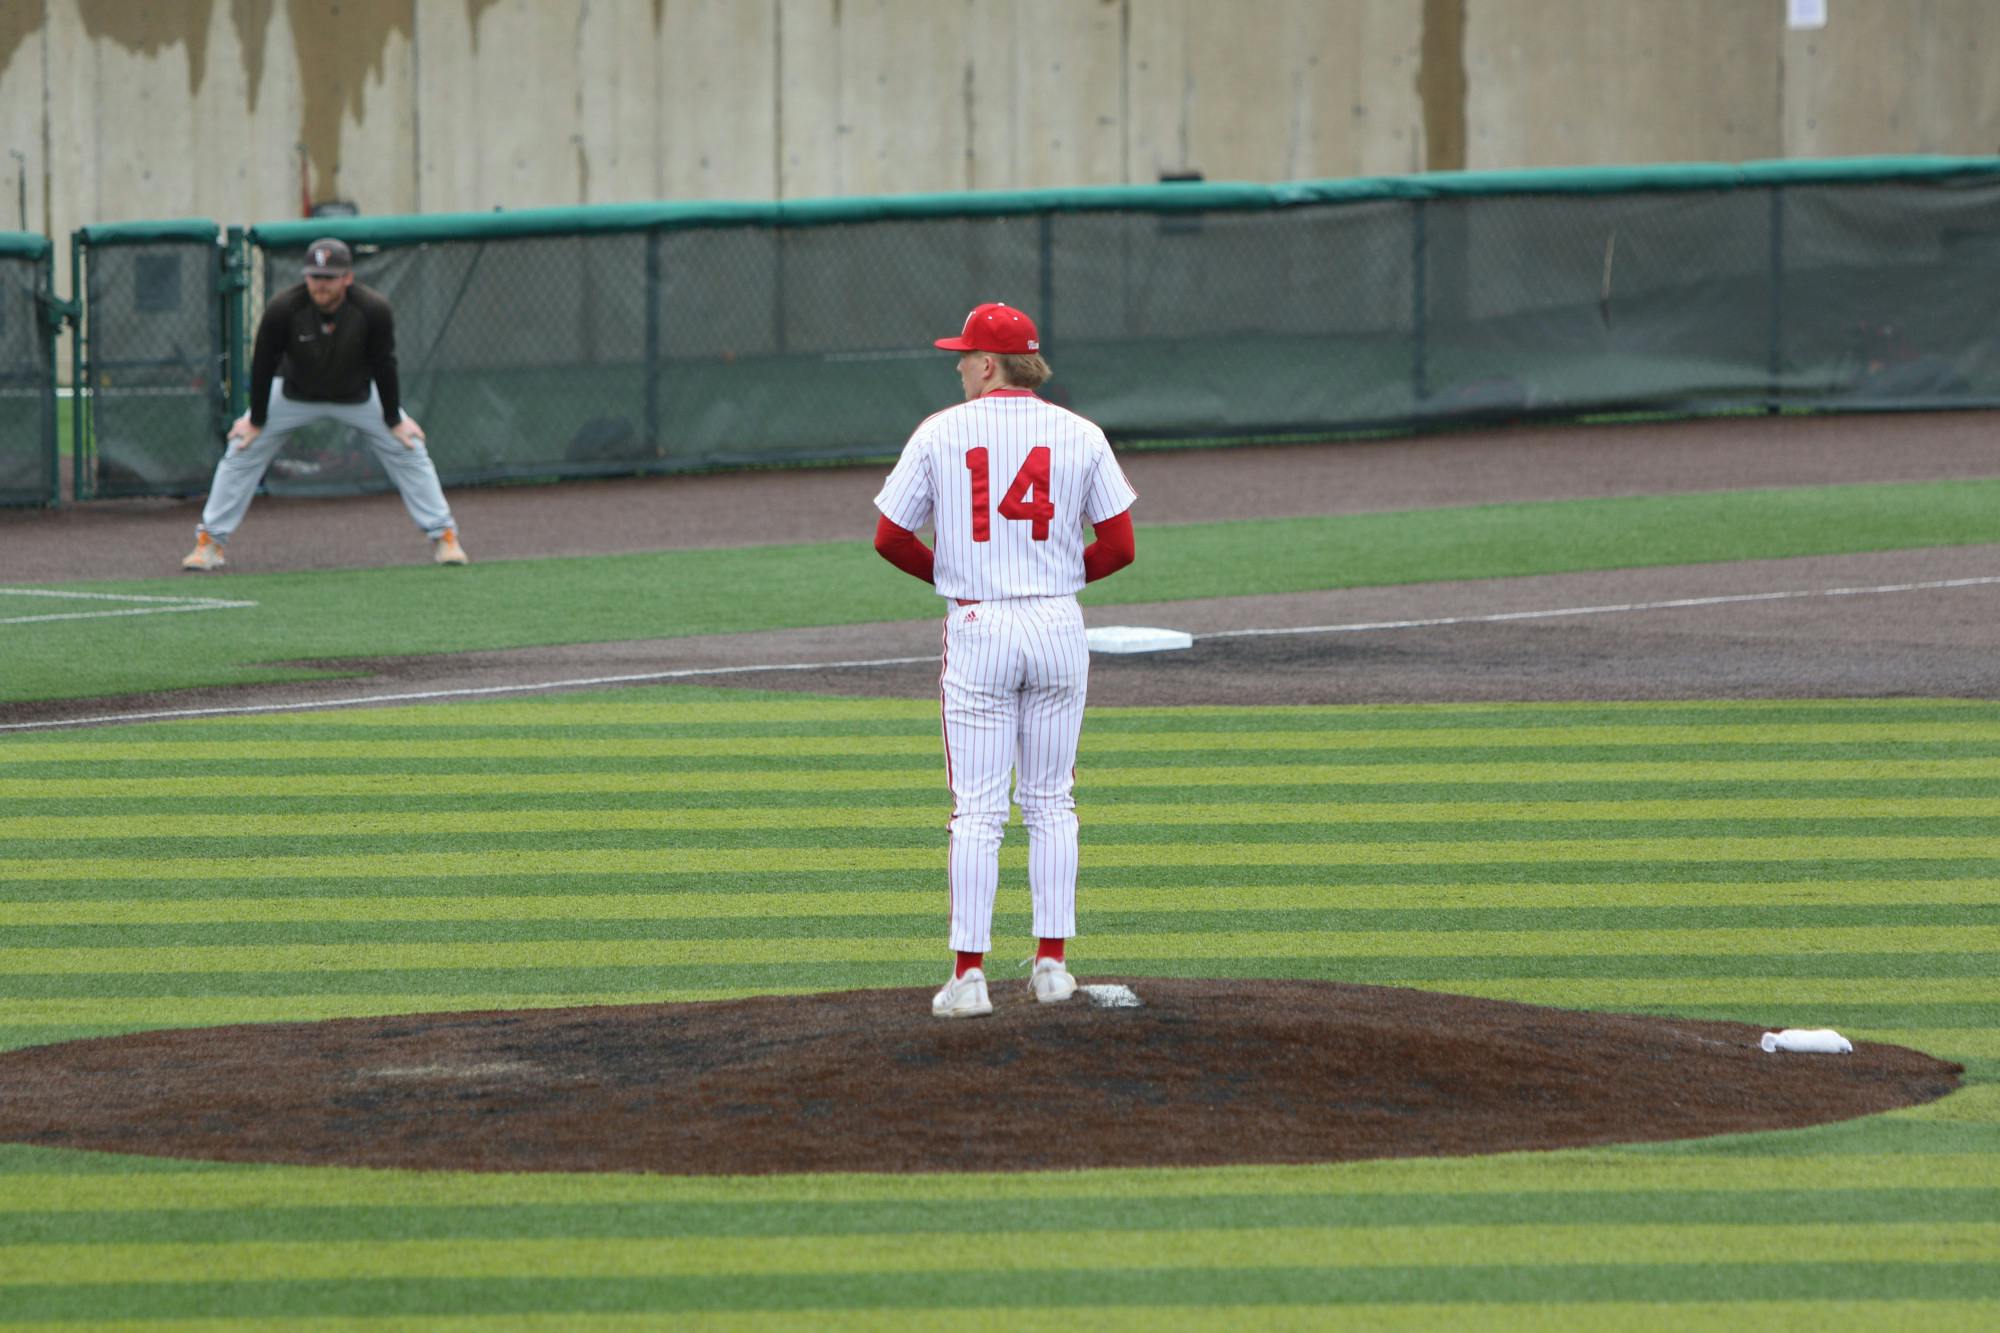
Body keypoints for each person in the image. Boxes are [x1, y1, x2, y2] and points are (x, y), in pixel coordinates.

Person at [872, 302, 1138, 1019]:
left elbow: (889, 537)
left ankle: (969, 976)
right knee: (1052, 800)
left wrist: (954, 578)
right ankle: (1053, 966)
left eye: (964, 354)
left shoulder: (941, 432)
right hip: (1057, 624)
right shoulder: (1081, 433)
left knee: (979, 809)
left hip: (980, 626)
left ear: (989, 363)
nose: (958, 364)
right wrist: (1053, 582)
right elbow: (1118, 547)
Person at [181, 237, 468, 570]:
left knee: (409, 446)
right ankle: (210, 542)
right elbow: (262, 363)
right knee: (241, 448)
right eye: (315, 276)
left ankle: (444, 535)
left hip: (356, 395)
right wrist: (256, 419)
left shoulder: (373, 309)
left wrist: (393, 419)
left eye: (329, 277)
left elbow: (384, 363)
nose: (321, 284)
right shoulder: (283, 308)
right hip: (294, 394)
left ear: (347, 277)